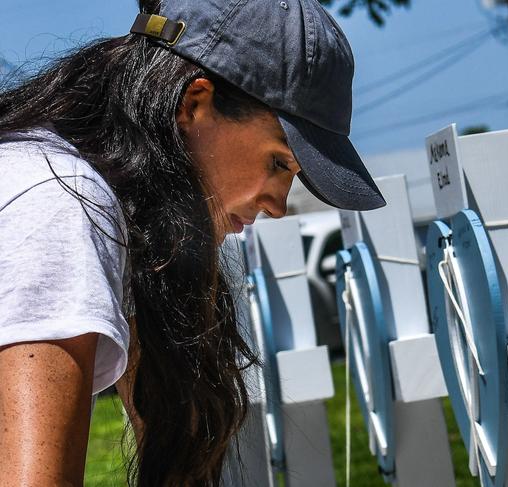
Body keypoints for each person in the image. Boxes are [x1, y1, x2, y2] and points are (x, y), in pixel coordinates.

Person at [0, 0, 385, 485]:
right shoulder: (58, 203)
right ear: (194, 105)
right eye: (279, 163)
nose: (279, 205)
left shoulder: (118, 220)